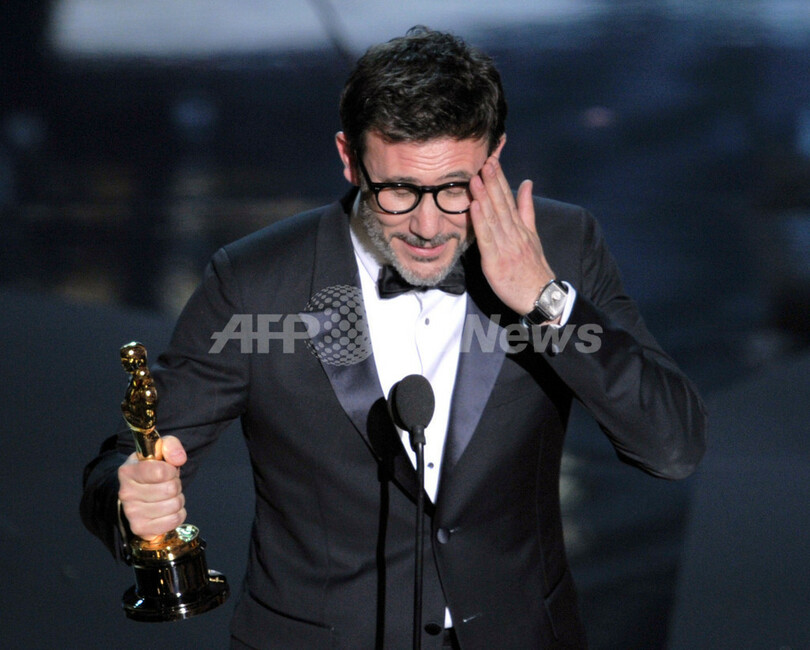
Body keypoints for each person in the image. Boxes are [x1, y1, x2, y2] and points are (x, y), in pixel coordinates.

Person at [81, 26, 706, 650]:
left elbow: (671, 447)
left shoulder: (563, 247)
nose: (428, 226)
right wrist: (133, 503)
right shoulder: (255, 282)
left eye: (455, 188)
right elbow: (125, 463)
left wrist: (546, 299)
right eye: (399, 191)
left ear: (495, 157)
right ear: (350, 159)